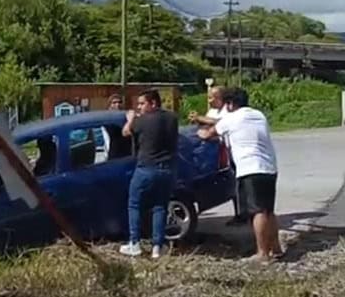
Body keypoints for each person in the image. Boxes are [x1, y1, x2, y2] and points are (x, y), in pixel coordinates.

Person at [198, 87, 283, 262]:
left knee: (257, 211)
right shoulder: (259, 115)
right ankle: (276, 248)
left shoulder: (231, 118)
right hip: (269, 167)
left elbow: (209, 134)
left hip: (250, 167)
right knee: (268, 210)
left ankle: (262, 253)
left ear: (230, 104)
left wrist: (201, 132)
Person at [119, 89, 178, 259]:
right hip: (167, 170)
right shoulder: (172, 118)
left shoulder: (142, 121)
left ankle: (134, 243)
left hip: (146, 168)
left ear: (153, 103)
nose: (139, 107)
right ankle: (157, 248)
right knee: (160, 207)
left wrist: (131, 119)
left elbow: (125, 132)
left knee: (134, 204)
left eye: (142, 103)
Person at [189, 85, 248, 226]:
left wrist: (201, 118)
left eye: (212, 98)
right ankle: (240, 212)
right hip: (215, 151)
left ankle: (243, 214)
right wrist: (198, 120)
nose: (209, 100)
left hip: (230, 150)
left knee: (238, 182)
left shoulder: (228, 112)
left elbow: (222, 123)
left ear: (221, 99)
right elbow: (207, 123)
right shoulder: (213, 110)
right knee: (231, 182)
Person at [102, 93, 132, 160]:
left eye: (120, 102)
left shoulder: (127, 117)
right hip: (114, 155)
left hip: (128, 154)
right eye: (114, 103)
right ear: (109, 105)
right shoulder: (107, 120)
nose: (117, 105)